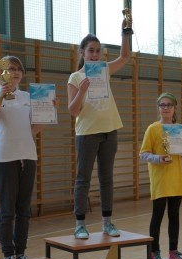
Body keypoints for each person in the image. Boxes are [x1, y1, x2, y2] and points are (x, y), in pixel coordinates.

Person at [0, 55, 58, 259]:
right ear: (1, 73)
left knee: (24, 209)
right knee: (7, 210)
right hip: (5, 158)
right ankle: (8, 255)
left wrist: (51, 110)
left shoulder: (28, 96)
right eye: (11, 68)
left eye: (19, 69)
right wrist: (1, 94)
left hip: (28, 156)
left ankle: (21, 253)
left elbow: (33, 129)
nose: (15, 72)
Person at [67, 19, 132, 239]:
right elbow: (73, 111)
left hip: (109, 129)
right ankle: (79, 224)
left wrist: (125, 32)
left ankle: (107, 222)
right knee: (83, 178)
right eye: (91, 51)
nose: (95, 55)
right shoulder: (75, 77)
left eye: (98, 51)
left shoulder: (104, 70)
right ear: (82, 52)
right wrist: (81, 91)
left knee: (107, 177)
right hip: (87, 133)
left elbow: (124, 57)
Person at [139, 92, 182, 259]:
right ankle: (154, 253)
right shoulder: (152, 129)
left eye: (169, 104)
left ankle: (173, 252)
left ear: (174, 107)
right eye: (162, 105)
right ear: (158, 108)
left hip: (176, 178)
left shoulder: (178, 128)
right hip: (160, 179)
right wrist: (158, 159)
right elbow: (143, 153)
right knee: (158, 216)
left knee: (174, 216)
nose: (166, 108)